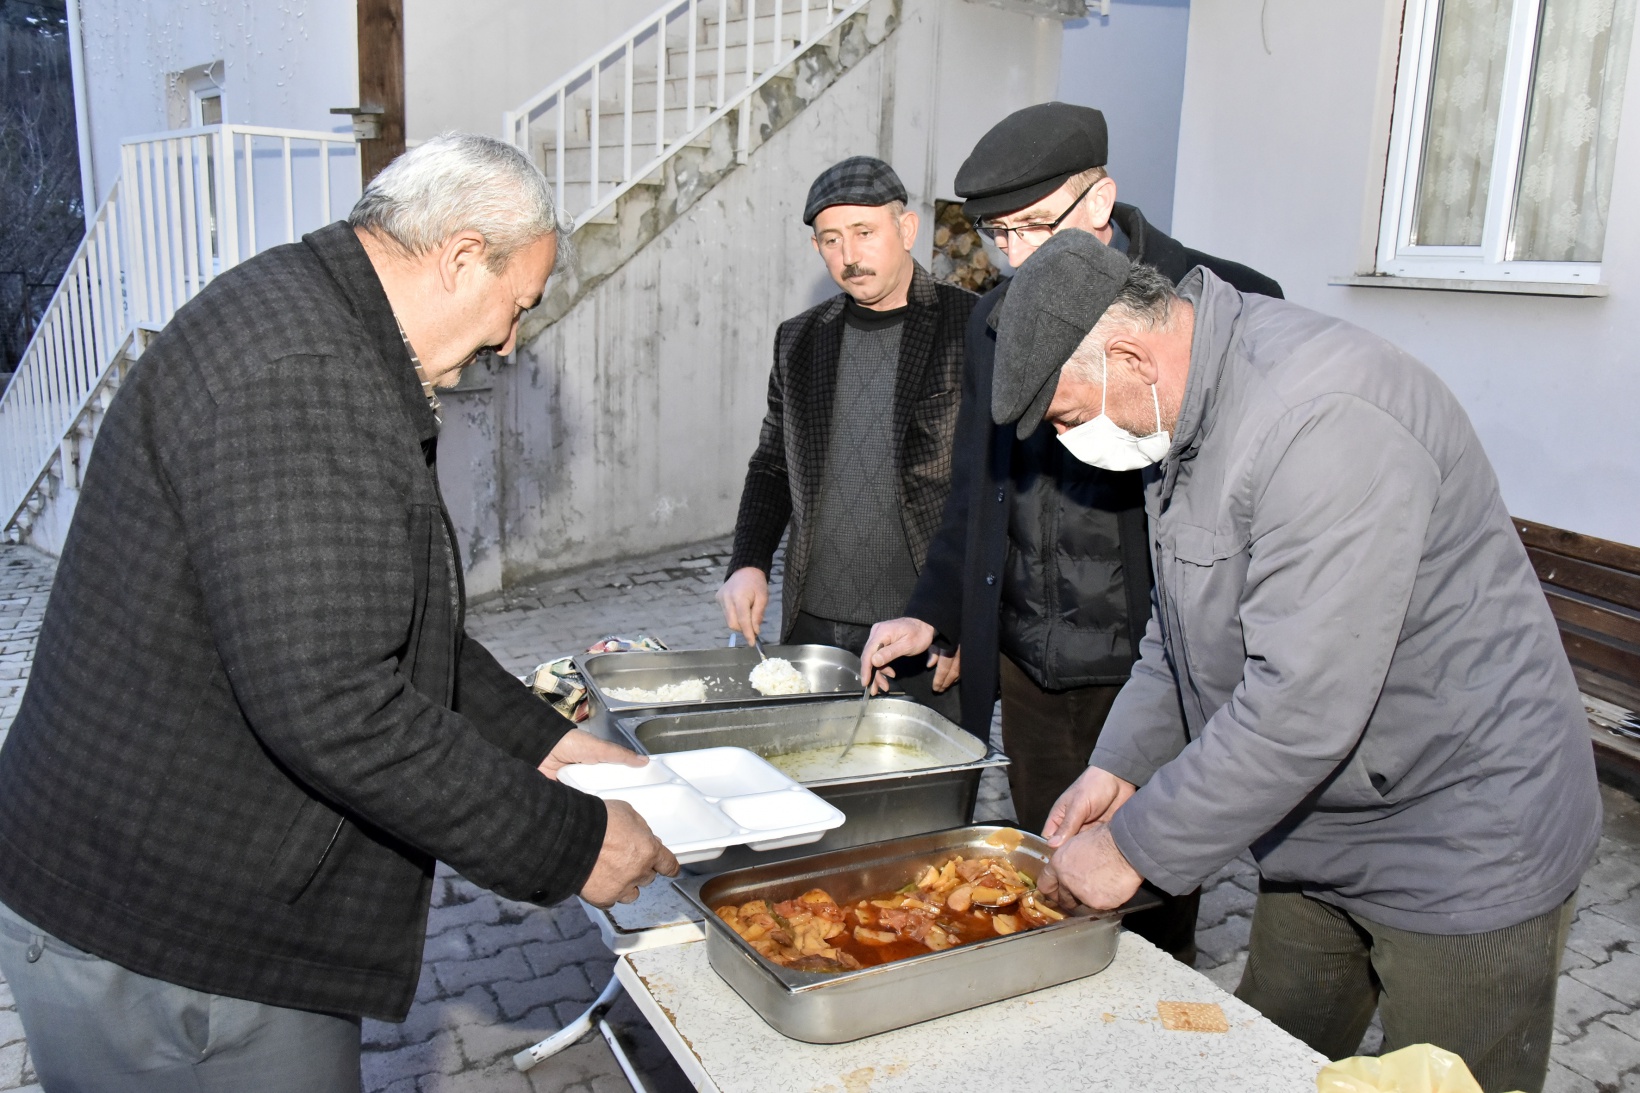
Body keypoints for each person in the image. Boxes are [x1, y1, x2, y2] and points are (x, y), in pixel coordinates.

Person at [0, 134, 678, 1093]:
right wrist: (569, 841)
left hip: (184, 901)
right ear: (461, 257)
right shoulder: (302, 377)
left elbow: (378, 627)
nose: (510, 340)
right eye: (520, 304)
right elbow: (338, 702)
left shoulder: (318, 321)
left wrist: (543, 741)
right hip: (159, 940)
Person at [1003, 230, 1600, 1093]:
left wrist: (1131, 848)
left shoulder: (1323, 420)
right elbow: (1177, 629)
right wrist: (1119, 764)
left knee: (1451, 1077)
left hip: (1462, 836)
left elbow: (1299, 708)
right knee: (1270, 1053)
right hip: (1317, 825)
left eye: (1065, 417)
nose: (1067, 442)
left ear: (1129, 356)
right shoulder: (1178, 408)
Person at [859, 102, 1281, 958]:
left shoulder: (1216, 300)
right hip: (1031, 666)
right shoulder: (994, 320)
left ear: (1101, 201)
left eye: (1033, 227)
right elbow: (979, 483)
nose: (1015, 255)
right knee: (1046, 883)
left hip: (1149, 667)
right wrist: (936, 609)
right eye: (996, 234)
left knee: (1152, 896)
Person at [718, 156, 976, 721]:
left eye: (864, 232)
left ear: (906, 229)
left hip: (922, 632)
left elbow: (996, 490)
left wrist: (962, 619)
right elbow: (772, 465)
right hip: (812, 626)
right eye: (831, 240)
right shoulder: (799, 340)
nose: (849, 255)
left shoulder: (972, 328)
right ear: (816, 247)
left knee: (927, 780)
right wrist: (748, 562)